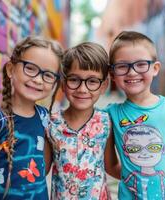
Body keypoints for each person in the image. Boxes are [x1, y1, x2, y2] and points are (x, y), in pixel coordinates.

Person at [0, 36, 63, 200]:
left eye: (48, 75)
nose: (38, 79)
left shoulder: (45, 117)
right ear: (11, 69)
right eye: (30, 68)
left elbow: (43, 168)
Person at [107, 31, 165, 200]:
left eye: (140, 64)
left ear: (155, 68)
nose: (132, 72)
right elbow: (109, 164)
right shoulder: (110, 114)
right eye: (123, 66)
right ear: (112, 74)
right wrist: (132, 179)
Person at [47, 42, 120, 200]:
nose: (82, 89)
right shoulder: (51, 123)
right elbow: (42, 170)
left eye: (92, 81)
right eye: (74, 80)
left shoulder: (106, 121)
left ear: (104, 85)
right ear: (63, 83)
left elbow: (111, 166)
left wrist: (142, 173)